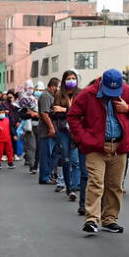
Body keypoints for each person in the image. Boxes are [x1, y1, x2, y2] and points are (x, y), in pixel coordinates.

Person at [68, 69, 129, 235]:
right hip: (95, 146)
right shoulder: (88, 94)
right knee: (96, 182)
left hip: (118, 146)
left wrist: (128, 109)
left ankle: (110, 219)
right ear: (101, 83)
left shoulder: (126, 91)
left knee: (115, 185)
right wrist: (83, 138)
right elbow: (73, 116)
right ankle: (91, 219)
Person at [54, 71, 83, 201]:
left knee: (76, 161)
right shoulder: (59, 95)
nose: (71, 80)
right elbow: (54, 113)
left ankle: (76, 186)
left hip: (77, 131)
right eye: (68, 78)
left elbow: (82, 113)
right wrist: (65, 112)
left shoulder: (81, 94)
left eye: (73, 78)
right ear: (64, 80)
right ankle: (69, 187)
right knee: (66, 159)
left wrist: (65, 110)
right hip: (63, 131)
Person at [37, 78, 60, 184]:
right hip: (46, 130)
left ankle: (48, 174)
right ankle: (44, 177)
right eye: (57, 87)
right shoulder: (46, 96)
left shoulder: (51, 96)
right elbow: (44, 114)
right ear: (52, 86)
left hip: (54, 129)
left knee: (55, 153)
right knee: (46, 155)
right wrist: (51, 127)